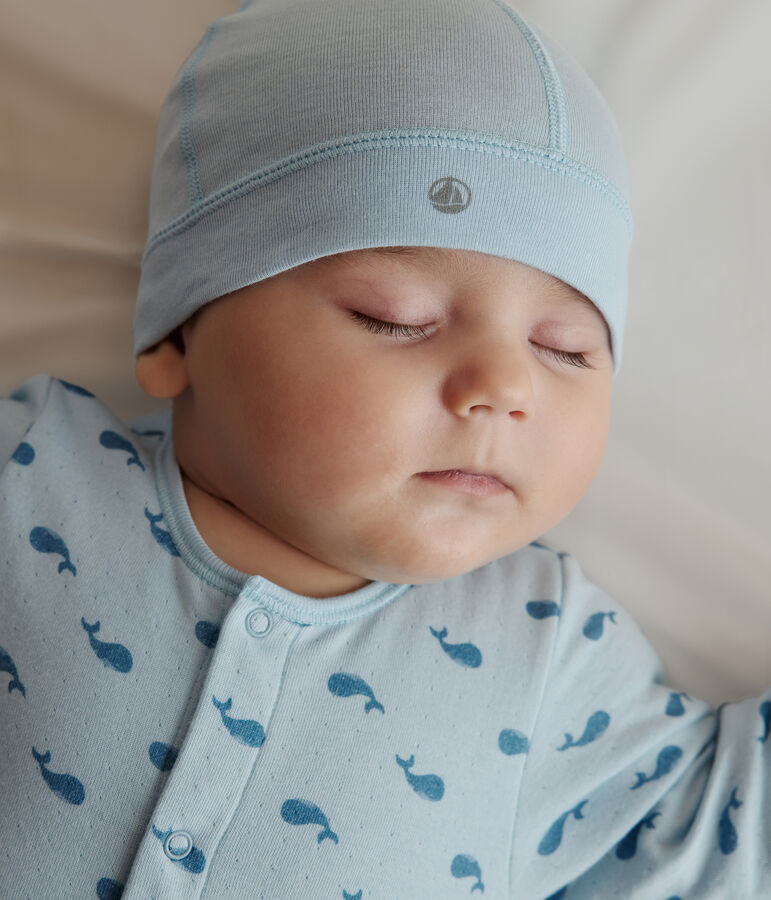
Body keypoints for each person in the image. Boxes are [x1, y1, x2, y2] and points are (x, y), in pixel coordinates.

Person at [0, 1, 767, 897]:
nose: (505, 388)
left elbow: (721, 835)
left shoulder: (548, 652)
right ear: (177, 336)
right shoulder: (33, 476)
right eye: (394, 318)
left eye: (564, 347)